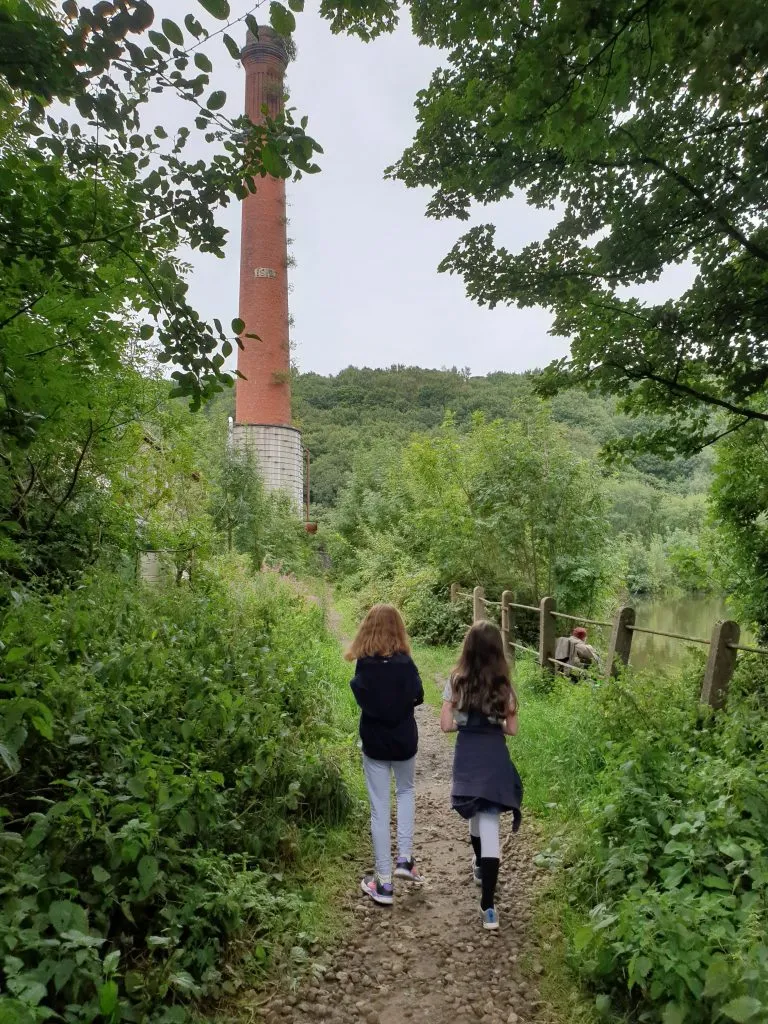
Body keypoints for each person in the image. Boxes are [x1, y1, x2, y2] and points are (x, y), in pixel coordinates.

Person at [440, 622, 522, 931]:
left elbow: (445, 725)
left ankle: (479, 866)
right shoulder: (504, 684)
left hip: (468, 754)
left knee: (475, 814)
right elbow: (512, 729)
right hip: (494, 755)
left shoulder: (457, 681)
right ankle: (488, 906)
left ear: (468, 649)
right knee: (489, 823)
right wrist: (495, 726)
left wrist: (465, 722)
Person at [347, 604, 425, 905]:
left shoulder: (364, 664)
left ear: (369, 628)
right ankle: (404, 859)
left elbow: (362, 697)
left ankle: (384, 883)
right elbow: (419, 695)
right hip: (404, 740)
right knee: (405, 791)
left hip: (375, 743)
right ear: (398, 629)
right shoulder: (405, 663)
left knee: (379, 809)